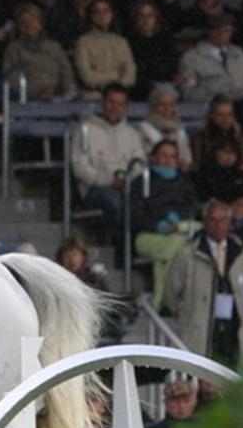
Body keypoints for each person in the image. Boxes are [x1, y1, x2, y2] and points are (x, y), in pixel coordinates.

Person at [164, 199, 243, 366]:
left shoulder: (241, 253)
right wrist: (188, 314)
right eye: (212, 220)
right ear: (204, 223)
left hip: (232, 328)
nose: (217, 225)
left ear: (229, 223)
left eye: (222, 220)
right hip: (200, 329)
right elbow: (171, 293)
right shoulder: (187, 254)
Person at [71, 83, 149, 253]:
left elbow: (139, 165)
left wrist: (126, 181)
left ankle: (135, 249)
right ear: (102, 103)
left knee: (145, 202)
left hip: (128, 187)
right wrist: (110, 181)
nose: (115, 108)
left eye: (120, 103)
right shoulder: (85, 129)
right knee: (114, 202)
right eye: (111, 102)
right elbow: (80, 168)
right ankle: (121, 250)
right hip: (95, 189)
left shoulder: (132, 133)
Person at [132, 139, 199, 307]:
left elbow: (192, 207)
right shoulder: (141, 182)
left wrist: (178, 222)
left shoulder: (185, 181)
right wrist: (160, 226)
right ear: (154, 157)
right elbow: (137, 214)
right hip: (148, 235)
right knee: (180, 245)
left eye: (172, 156)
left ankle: (161, 299)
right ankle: (167, 299)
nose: (168, 160)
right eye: (164, 155)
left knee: (180, 243)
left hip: (180, 231)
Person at [2, 1, 76, 102]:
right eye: (23, 22)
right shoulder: (14, 49)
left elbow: (67, 75)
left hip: (56, 99)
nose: (29, 25)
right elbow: (10, 78)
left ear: (40, 23)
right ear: (19, 27)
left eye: (32, 20)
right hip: (27, 101)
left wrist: (59, 92)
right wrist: (35, 92)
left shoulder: (54, 47)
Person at [177, 13, 243, 104]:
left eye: (226, 31)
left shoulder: (239, 52)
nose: (221, 34)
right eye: (216, 30)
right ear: (208, 31)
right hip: (209, 106)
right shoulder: (190, 58)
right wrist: (212, 90)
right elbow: (188, 93)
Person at [74, 0, 137, 101]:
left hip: (119, 98)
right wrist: (116, 76)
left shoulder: (121, 42)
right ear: (91, 16)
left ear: (111, 14)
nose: (102, 15)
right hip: (93, 97)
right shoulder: (83, 42)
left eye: (105, 11)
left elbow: (131, 77)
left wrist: (111, 82)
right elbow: (87, 78)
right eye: (97, 12)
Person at [189, 94, 243, 175]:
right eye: (221, 115)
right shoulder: (200, 138)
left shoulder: (238, 137)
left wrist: (240, 165)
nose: (226, 119)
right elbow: (195, 167)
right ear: (212, 116)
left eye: (229, 114)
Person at [136, 83, 192, 172]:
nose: (167, 108)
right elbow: (141, 157)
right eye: (162, 104)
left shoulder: (180, 130)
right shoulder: (143, 129)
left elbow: (186, 156)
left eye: (171, 104)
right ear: (154, 106)